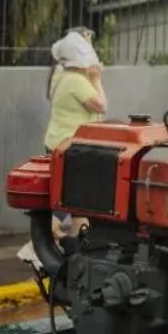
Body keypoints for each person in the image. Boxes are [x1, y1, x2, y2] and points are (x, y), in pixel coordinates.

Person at [44, 30, 107, 238]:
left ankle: (78, 249)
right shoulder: (75, 81)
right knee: (68, 200)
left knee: (79, 205)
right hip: (69, 149)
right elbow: (101, 105)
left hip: (61, 145)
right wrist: (97, 79)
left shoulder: (64, 76)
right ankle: (41, 246)